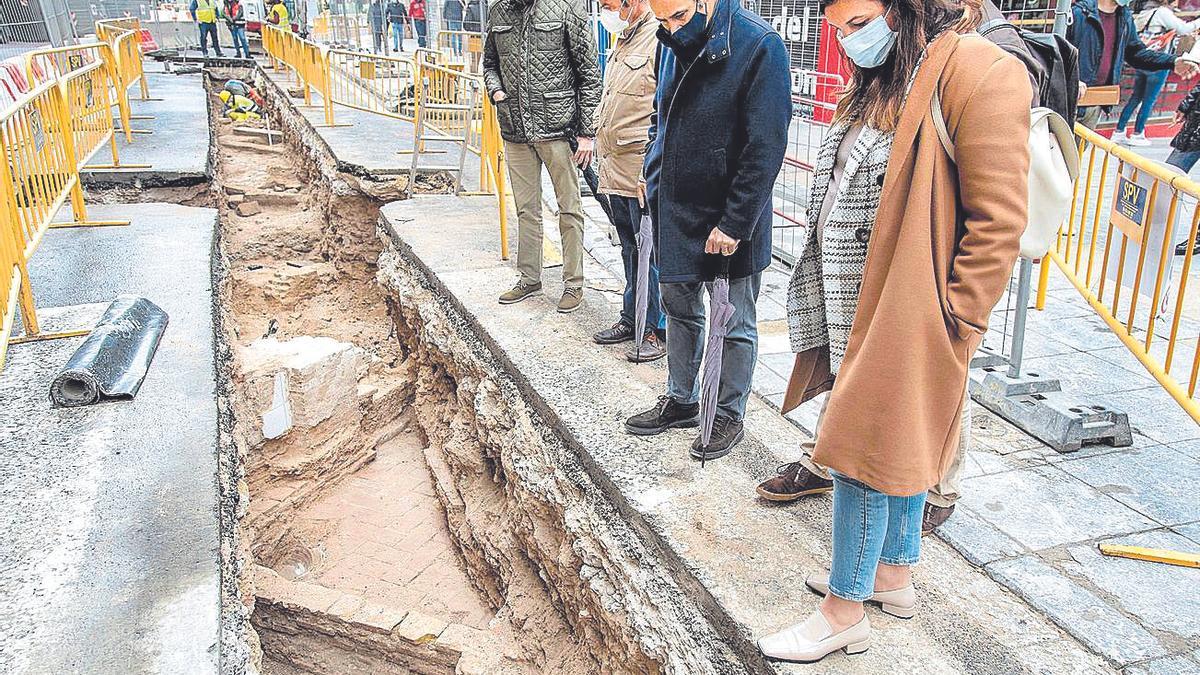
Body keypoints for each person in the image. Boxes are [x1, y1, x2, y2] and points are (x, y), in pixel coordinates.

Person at [755, 0, 1031, 662]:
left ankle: (843, 610)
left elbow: (999, 223)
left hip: (910, 310)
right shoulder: (887, 77)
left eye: (858, 23)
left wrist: (954, 324)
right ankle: (892, 573)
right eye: (838, 29)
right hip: (858, 300)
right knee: (895, 442)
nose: (849, 40)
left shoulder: (977, 71)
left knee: (861, 452)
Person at [623, 0, 790, 460]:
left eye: (679, 16)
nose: (673, 28)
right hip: (675, 205)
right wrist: (650, 171)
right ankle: (682, 400)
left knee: (733, 319)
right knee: (678, 305)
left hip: (730, 214)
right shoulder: (669, 40)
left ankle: (727, 412)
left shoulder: (759, 45)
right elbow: (661, 115)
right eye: (664, 20)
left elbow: (766, 147)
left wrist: (735, 223)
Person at [482, 0, 602, 313]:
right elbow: (489, 64)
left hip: (559, 129)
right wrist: (497, 93)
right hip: (515, 129)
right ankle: (529, 278)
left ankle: (573, 283)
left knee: (569, 209)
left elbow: (589, 74)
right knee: (526, 209)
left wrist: (587, 133)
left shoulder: (566, 8)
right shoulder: (499, 11)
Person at [591, 0, 666, 362]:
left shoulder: (658, 37)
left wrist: (649, 170)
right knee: (629, 249)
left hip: (640, 170)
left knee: (650, 253)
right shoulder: (624, 37)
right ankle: (631, 316)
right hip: (615, 166)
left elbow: (661, 111)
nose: (605, 12)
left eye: (608, 5)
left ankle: (654, 328)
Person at [1069, 0, 1194, 129]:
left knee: (1081, 148)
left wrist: (1173, 61)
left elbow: (1136, 54)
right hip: (1070, 101)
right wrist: (1072, 80)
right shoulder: (1078, 13)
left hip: (1097, 101)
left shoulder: (1124, 17)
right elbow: (1055, 55)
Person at [1114, 0, 1200, 145]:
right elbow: (1184, 29)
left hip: (1144, 60)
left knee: (1135, 98)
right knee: (1149, 100)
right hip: (1158, 61)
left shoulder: (1145, 11)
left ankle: (1119, 130)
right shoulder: (1162, 12)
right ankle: (1138, 133)